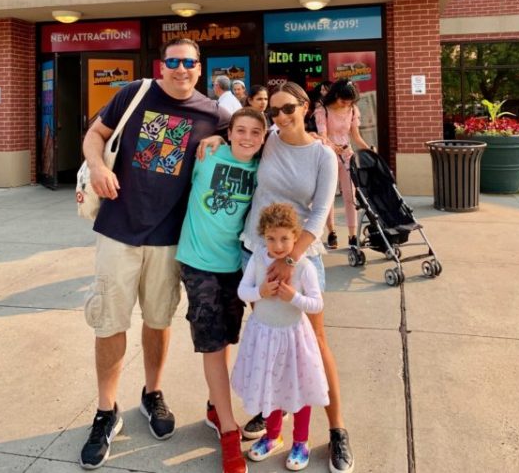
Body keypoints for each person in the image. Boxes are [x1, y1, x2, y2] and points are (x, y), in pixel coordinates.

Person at [79, 38, 230, 471]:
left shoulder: (215, 114)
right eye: (173, 61)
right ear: (161, 65)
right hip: (118, 229)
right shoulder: (135, 92)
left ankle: (152, 393)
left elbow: (252, 138)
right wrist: (98, 166)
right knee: (110, 322)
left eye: (189, 62)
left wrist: (219, 139)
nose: (181, 69)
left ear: (200, 68)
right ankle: (106, 411)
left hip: (169, 237)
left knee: (159, 320)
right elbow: (94, 135)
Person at [198, 82, 355, 473]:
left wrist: (291, 259)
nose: (281, 117)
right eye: (275, 111)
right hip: (255, 253)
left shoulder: (322, 155)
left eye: (289, 109)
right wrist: (216, 141)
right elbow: (240, 140)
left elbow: (319, 214)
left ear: (305, 107)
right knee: (273, 339)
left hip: (299, 258)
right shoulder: (267, 139)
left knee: (314, 344)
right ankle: (276, 414)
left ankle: (337, 429)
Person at [176, 107, 266, 473]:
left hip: (234, 265)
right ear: (229, 132)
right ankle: (229, 431)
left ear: (263, 138)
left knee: (227, 337)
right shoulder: (208, 154)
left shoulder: (260, 169)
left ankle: (216, 407)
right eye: (240, 130)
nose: (247, 138)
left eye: (255, 132)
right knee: (212, 342)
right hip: (198, 262)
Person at [232, 202, 329, 472]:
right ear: (263, 237)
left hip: (293, 337)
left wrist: (294, 298)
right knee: (271, 386)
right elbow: (242, 290)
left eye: (285, 238)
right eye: (271, 238)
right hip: (264, 336)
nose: (277, 245)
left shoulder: (304, 266)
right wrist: (260, 292)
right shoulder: (257, 259)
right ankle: (273, 436)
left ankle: (301, 441)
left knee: (298, 389)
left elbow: (317, 304)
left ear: (295, 237)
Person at [314, 80, 371, 250]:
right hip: (328, 155)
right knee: (329, 195)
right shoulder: (322, 110)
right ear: (336, 95)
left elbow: (356, 136)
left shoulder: (352, 110)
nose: (346, 104)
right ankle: (331, 232)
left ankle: (353, 236)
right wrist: (333, 146)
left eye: (349, 101)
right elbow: (323, 136)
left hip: (347, 155)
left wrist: (369, 150)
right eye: (343, 101)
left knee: (350, 196)